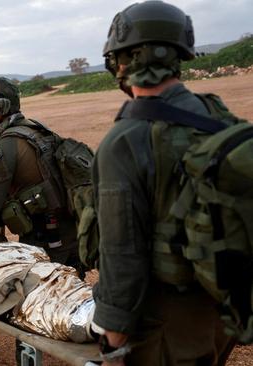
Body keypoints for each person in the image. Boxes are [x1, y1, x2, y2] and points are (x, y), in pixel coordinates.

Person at [91, 1, 239, 364]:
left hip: (165, 324)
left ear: (126, 60)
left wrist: (112, 336)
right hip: (222, 310)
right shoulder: (219, 117)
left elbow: (122, 253)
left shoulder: (125, 139)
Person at [0, 77, 81, 270]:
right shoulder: (35, 129)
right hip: (69, 228)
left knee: (47, 292)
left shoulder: (4, 146)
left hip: (46, 237)